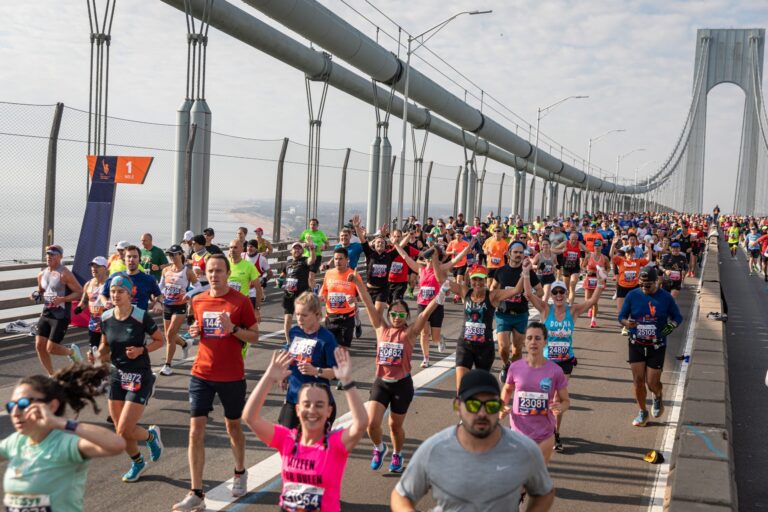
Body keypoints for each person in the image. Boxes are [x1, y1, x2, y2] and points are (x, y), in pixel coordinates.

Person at [390, 369, 555, 511]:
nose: (482, 413)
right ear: (457, 406)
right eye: (473, 405)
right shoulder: (435, 449)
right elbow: (401, 495)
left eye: (490, 405)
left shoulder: (523, 449)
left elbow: (544, 492)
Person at [173, 254, 260, 511]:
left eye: (219, 271)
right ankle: (196, 492)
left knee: (233, 427)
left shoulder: (240, 301)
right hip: (201, 373)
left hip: (232, 375)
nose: (214, 275)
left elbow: (254, 336)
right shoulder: (198, 300)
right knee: (195, 431)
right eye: (210, 271)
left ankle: (239, 472)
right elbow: (196, 327)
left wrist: (233, 329)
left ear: (227, 272)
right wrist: (194, 331)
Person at [243, 349, 367, 512]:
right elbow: (250, 417)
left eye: (319, 405)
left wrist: (348, 382)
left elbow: (361, 424)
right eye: (306, 404)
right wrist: (269, 377)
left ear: (329, 411)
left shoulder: (334, 444)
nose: (312, 410)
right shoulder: (287, 439)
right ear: (298, 409)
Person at [350, 269, 448, 473]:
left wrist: (439, 297)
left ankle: (397, 453)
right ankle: (379, 448)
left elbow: (425, 313)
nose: (396, 317)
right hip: (381, 383)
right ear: (389, 315)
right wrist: (358, 282)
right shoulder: (380, 328)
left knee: (395, 426)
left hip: (402, 385)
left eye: (401, 314)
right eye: (393, 314)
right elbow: (368, 303)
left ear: (406, 316)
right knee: (372, 425)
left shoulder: (410, 333)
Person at [1, 364, 125, 512]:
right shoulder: (16, 442)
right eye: (11, 406)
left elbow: (116, 444)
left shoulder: (64, 444)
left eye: (23, 404)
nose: (14, 412)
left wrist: (60, 422)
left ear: (52, 406)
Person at [522, 266, 604, 452]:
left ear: (566, 294)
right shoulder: (545, 309)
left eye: (562, 292)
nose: (559, 295)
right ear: (551, 295)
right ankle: (538, 429)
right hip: (546, 361)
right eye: (555, 292)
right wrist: (526, 273)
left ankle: (555, 433)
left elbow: (592, 300)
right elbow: (528, 294)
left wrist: (600, 281)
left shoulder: (572, 311)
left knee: (558, 398)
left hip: (565, 362)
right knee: (544, 397)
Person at [97, 275, 165, 482]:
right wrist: (99, 353)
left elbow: (159, 340)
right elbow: (105, 345)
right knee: (121, 431)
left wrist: (141, 350)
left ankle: (151, 437)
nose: (116, 295)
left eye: (120, 291)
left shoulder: (140, 316)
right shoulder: (106, 317)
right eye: (113, 291)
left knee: (125, 428)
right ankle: (138, 462)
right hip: (118, 375)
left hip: (139, 375)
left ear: (130, 293)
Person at [618, 266, 683, 427]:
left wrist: (669, 328)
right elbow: (621, 316)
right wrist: (627, 322)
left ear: (657, 282)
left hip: (657, 346)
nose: (644, 288)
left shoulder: (666, 298)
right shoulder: (633, 295)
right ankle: (642, 412)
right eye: (641, 284)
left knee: (652, 383)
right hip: (636, 344)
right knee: (638, 381)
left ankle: (658, 395)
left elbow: (677, 317)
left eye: (648, 285)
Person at [443, 264, 525, 391]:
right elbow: (440, 279)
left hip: (484, 348)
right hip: (465, 345)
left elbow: (516, 290)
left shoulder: (492, 296)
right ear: (470, 279)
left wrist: (525, 272)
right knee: (461, 388)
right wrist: (435, 258)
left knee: (479, 390)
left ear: (486, 279)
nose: (478, 283)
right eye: (475, 279)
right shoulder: (465, 292)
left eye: (481, 279)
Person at [394, 238, 474, 368]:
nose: (428, 261)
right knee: (424, 333)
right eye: (426, 258)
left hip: (437, 305)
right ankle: (426, 358)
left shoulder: (440, 268)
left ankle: (439, 339)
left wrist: (467, 248)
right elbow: (405, 256)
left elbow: (455, 260)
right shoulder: (420, 269)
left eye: (430, 258)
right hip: (423, 305)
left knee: (434, 338)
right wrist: (396, 244)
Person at [500, 322, 570, 464]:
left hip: (544, 434)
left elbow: (565, 400)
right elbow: (507, 390)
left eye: (538, 338)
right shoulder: (515, 367)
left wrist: (561, 407)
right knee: (519, 476)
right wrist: (501, 406)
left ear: (545, 341)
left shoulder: (555, 370)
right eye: (529, 338)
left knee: (537, 476)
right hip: (518, 431)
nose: (533, 342)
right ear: (525, 341)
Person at [280, 292, 337, 429]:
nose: (299, 319)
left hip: (316, 401)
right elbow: (290, 355)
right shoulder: (294, 332)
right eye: (297, 314)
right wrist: (284, 373)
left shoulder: (326, 339)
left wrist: (315, 371)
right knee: (286, 442)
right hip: (294, 397)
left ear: (317, 315)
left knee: (313, 447)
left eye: (304, 315)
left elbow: (336, 372)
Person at [491, 241, 543, 383]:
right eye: (516, 252)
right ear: (509, 253)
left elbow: (540, 291)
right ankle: (506, 365)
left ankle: (514, 370)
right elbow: (493, 288)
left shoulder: (528, 272)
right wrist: (494, 298)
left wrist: (530, 293)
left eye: (521, 252)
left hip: (520, 315)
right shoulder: (500, 271)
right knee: (503, 348)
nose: (519, 255)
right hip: (503, 314)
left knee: (517, 349)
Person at [31, 245, 84, 375]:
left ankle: (72, 352)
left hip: (61, 315)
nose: (49, 256)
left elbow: (80, 292)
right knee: (39, 345)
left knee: (51, 348)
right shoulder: (41, 274)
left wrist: (63, 299)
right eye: (48, 254)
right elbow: (41, 291)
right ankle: (52, 374)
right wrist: (35, 295)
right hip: (47, 313)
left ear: (60, 257)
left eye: (53, 254)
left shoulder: (65, 273)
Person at [158, 245, 197, 376]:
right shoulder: (166, 270)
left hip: (180, 307)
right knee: (169, 336)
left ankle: (167, 365)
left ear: (181, 254)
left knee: (169, 335)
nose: (172, 257)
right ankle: (184, 343)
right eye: (170, 255)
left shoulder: (187, 272)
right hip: (167, 306)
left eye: (174, 254)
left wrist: (189, 295)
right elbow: (161, 286)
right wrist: (157, 296)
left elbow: (198, 287)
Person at [319, 248, 359, 367]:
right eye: (336, 259)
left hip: (347, 318)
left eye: (341, 258)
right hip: (331, 317)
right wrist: (321, 297)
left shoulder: (353, 275)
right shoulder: (329, 273)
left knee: (343, 349)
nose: (338, 261)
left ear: (347, 259)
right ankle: (333, 371)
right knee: (330, 347)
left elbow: (363, 295)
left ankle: (342, 375)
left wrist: (355, 299)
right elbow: (324, 291)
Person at [610, 236, 649, 335]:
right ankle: (625, 327)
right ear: (626, 254)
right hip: (622, 287)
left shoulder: (637, 261)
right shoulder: (621, 260)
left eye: (632, 253)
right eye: (628, 253)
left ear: (634, 254)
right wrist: (613, 244)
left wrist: (649, 248)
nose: (630, 255)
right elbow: (611, 255)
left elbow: (649, 259)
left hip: (634, 287)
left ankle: (631, 326)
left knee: (634, 308)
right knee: (621, 309)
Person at [281, 241, 317, 344]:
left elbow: (312, 259)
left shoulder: (304, 260)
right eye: (295, 248)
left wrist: (312, 249)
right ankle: (288, 343)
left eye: (299, 248)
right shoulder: (288, 263)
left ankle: (305, 339)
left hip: (301, 295)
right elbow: (283, 274)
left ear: (302, 251)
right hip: (289, 294)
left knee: (302, 319)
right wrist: (279, 280)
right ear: (291, 251)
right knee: (287, 319)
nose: (297, 250)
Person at [74, 256, 109, 359]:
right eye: (92, 266)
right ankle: (98, 372)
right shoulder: (88, 284)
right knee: (93, 353)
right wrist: (78, 309)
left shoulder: (110, 284)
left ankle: (109, 371)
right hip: (93, 324)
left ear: (105, 268)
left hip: (107, 324)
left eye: (97, 266)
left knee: (104, 353)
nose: (94, 268)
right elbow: (84, 301)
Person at [227, 239, 264, 319]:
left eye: (235, 247)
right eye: (231, 247)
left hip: (242, 305)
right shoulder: (224, 264)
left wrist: (257, 309)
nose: (232, 250)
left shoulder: (249, 266)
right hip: (227, 305)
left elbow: (258, 289)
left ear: (242, 249)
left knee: (243, 330)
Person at [581, 239, 609, 328]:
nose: (597, 247)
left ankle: (593, 320)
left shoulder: (604, 258)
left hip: (599, 280)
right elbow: (582, 266)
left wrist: (605, 273)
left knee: (595, 301)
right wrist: (586, 271)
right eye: (595, 245)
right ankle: (590, 308)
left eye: (599, 245)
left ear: (601, 247)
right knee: (587, 300)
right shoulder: (589, 256)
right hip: (589, 279)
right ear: (594, 247)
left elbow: (608, 268)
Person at [300, 218, 329, 289]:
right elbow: (300, 241)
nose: (312, 226)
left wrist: (324, 247)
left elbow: (327, 243)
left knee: (311, 276)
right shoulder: (305, 232)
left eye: (314, 224)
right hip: (306, 256)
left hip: (317, 256)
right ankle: (311, 289)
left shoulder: (321, 233)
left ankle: (313, 293)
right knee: (305, 276)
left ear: (317, 225)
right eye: (311, 224)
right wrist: (304, 244)